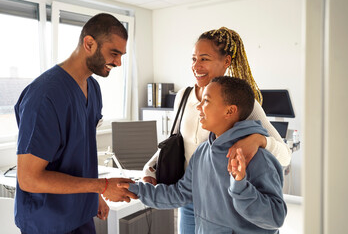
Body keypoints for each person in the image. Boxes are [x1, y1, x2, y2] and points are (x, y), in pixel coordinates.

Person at [142, 27, 291, 233]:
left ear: (226, 62)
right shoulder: (183, 96)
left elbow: (284, 157)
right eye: (193, 59)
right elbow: (173, 141)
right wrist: (149, 168)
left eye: (204, 59)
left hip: (224, 202)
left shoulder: (241, 104)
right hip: (188, 195)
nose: (196, 66)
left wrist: (259, 140)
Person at [14, 13, 137, 234]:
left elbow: (79, 151)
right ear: (89, 43)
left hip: (80, 214)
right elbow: (29, 179)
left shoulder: (93, 88)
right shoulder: (45, 96)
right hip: (47, 223)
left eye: (121, 55)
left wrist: (94, 195)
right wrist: (102, 186)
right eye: (114, 53)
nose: (118, 62)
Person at [122, 76, 287, 233]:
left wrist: (240, 187)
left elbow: (275, 218)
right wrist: (135, 190)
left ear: (230, 111)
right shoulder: (202, 152)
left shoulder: (259, 158)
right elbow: (181, 193)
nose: (198, 106)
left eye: (206, 101)